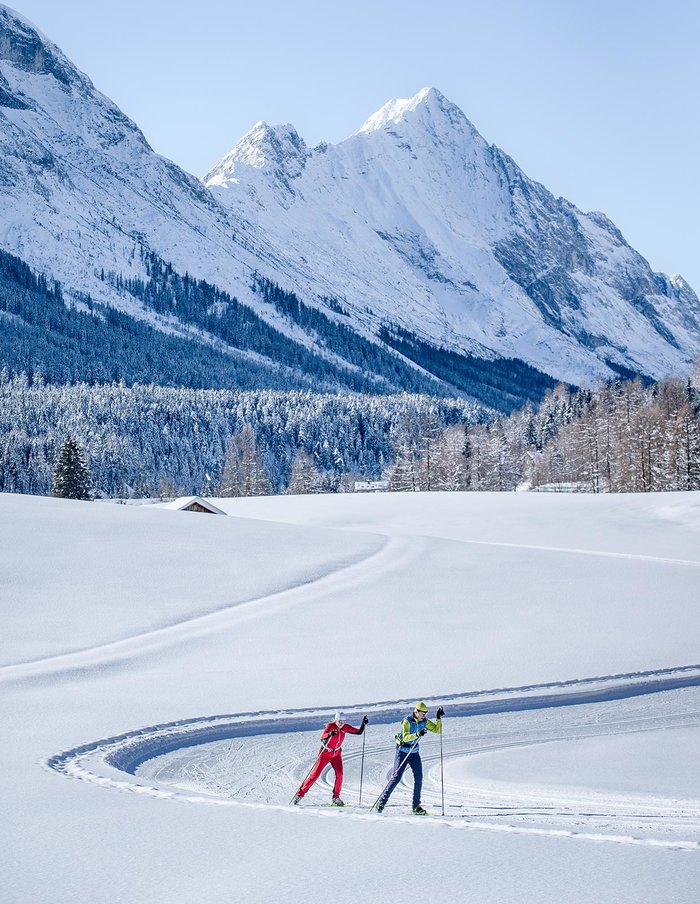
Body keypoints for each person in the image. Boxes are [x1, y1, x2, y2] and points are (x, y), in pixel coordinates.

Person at [375, 701, 444, 815]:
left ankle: (416, 806)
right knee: (396, 778)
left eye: (425, 714)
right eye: (422, 713)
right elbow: (406, 737)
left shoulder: (424, 722)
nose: (424, 716)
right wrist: (417, 734)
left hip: (414, 752)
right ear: (416, 712)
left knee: (419, 778)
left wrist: (438, 718)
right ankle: (382, 801)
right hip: (402, 752)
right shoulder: (407, 721)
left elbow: (438, 730)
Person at [292, 711, 368, 806]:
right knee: (314, 775)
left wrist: (363, 724)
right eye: (339, 721)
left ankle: (336, 797)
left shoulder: (345, 727)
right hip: (325, 753)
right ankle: (299, 794)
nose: (341, 724)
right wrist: (330, 734)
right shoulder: (330, 726)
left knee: (340, 774)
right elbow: (323, 737)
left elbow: (358, 732)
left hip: (336, 754)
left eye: (343, 722)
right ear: (336, 720)